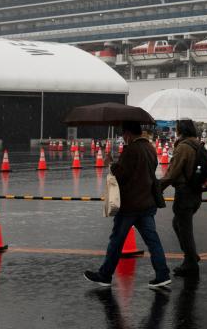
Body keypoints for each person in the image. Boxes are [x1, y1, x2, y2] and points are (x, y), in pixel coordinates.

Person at [84, 119, 171, 289]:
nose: (123, 137)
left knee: (116, 240)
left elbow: (121, 175)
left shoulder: (131, 150)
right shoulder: (150, 149)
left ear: (129, 134)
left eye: (124, 134)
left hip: (130, 205)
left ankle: (105, 275)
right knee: (153, 241)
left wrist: (111, 163)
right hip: (147, 203)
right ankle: (162, 274)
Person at [160, 119, 203, 278]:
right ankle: (191, 255)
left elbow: (173, 172)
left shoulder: (184, 147)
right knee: (178, 224)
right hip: (196, 192)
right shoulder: (196, 144)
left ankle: (190, 262)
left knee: (184, 228)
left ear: (181, 130)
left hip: (185, 193)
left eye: (177, 128)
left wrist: (158, 187)